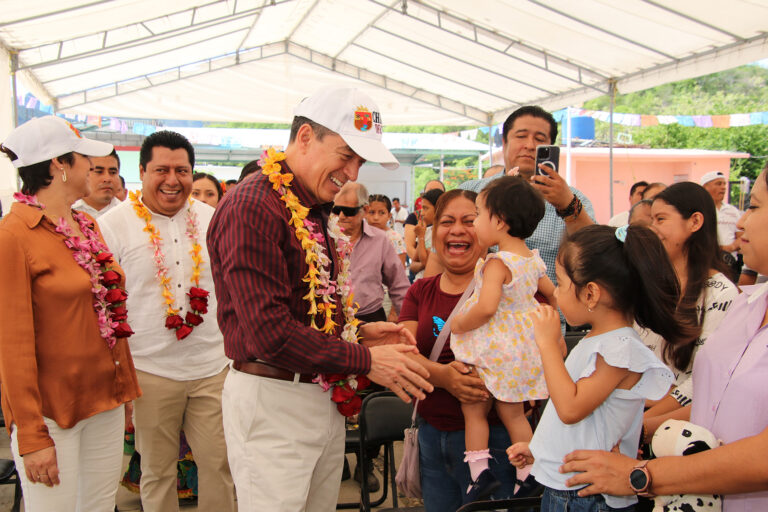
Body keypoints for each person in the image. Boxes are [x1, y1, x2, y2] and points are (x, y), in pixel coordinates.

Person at [207, 86, 432, 512]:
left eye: (360, 161)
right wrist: (367, 361)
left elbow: (299, 309)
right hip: (274, 399)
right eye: (346, 154)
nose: (352, 172)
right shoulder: (253, 205)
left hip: (318, 393)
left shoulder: (309, 207)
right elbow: (268, 332)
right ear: (306, 136)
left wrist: (360, 333)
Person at [559, 164, 768, 511]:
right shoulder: (750, 303)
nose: (742, 221)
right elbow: (707, 392)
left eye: (756, 206)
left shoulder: (721, 294)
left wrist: (641, 473)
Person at [0, 115, 140, 511]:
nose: (95, 170)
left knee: (96, 507)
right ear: (58, 165)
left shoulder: (88, 226)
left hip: (104, 402)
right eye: (85, 159)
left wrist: (123, 387)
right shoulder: (14, 235)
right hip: (52, 414)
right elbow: (12, 345)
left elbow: (109, 313)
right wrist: (30, 435)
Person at [507, 224, 694, 512]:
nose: (556, 294)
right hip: (571, 486)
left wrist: (546, 344)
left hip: (587, 495)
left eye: (560, 283)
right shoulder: (600, 341)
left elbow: (570, 408)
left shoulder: (619, 350)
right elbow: (580, 419)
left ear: (591, 294)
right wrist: (540, 449)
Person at [99, 131, 235, 512]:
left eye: (182, 170)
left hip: (212, 366)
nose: (172, 179)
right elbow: (105, 306)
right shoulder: (114, 225)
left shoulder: (214, 218)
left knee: (220, 465)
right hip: (150, 370)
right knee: (157, 471)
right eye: (161, 169)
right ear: (142, 171)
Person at [398, 189, 521, 511]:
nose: (457, 230)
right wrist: (444, 377)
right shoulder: (419, 292)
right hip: (431, 435)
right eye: (447, 222)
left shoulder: (511, 289)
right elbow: (404, 355)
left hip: (496, 440)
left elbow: (540, 352)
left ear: (490, 229)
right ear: (435, 231)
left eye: (470, 221)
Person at [449, 176, 556, 501]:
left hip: (493, 350)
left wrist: (458, 323)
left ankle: (480, 475)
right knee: (514, 413)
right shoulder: (532, 260)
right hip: (522, 351)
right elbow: (554, 296)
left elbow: (486, 307)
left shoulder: (497, 263)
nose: (475, 222)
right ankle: (528, 473)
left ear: (499, 221)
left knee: (475, 409)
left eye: (478, 214)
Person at [458, 106, 594, 315]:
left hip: (544, 325)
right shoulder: (471, 191)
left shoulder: (573, 199)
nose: (530, 146)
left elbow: (592, 257)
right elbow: (441, 254)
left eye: (540, 139)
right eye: (521, 136)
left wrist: (567, 206)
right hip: (477, 320)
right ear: (504, 143)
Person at [640, 182, 737, 435]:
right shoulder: (651, 284)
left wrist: (640, 427)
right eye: (652, 220)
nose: (653, 229)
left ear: (694, 222)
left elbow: (701, 383)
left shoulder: (720, 293)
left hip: (672, 431)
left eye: (661, 219)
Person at [333, 182, 410, 323]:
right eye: (336, 210)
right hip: (331, 319)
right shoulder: (325, 236)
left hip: (370, 317)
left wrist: (406, 322)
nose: (341, 216)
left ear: (365, 209)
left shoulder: (380, 240)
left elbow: (398, 285)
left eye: (349, 211)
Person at [701, 170, 742, 277]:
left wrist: (731, 247)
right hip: (706, 263)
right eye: (718, 184)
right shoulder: (700, 210)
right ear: (705, 187)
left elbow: (741, 237)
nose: (723, 187)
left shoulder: (733, 211)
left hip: (730, 264)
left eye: (724, 184)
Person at [72, 148, 122, 218]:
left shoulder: (127, 213)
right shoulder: (67, 210)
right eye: (99, 171)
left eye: (113, 172)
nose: (107, 179)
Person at [367, 193, 407, 266]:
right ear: (365, 213)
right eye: (372, 212)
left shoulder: (395, 239)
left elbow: (400, 271)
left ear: (389, 216)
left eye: (381, 213)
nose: (376, 217)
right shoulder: (361, 235)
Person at [412, 188, 443, 279]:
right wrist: (424, 262)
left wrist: (421, 237)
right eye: (422, 208)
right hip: (419, 282)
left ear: (438, 209)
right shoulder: (427, 231)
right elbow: (413, 265)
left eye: (425, 208)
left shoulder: (445, 234)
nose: (421, 213)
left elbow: (425, 261)